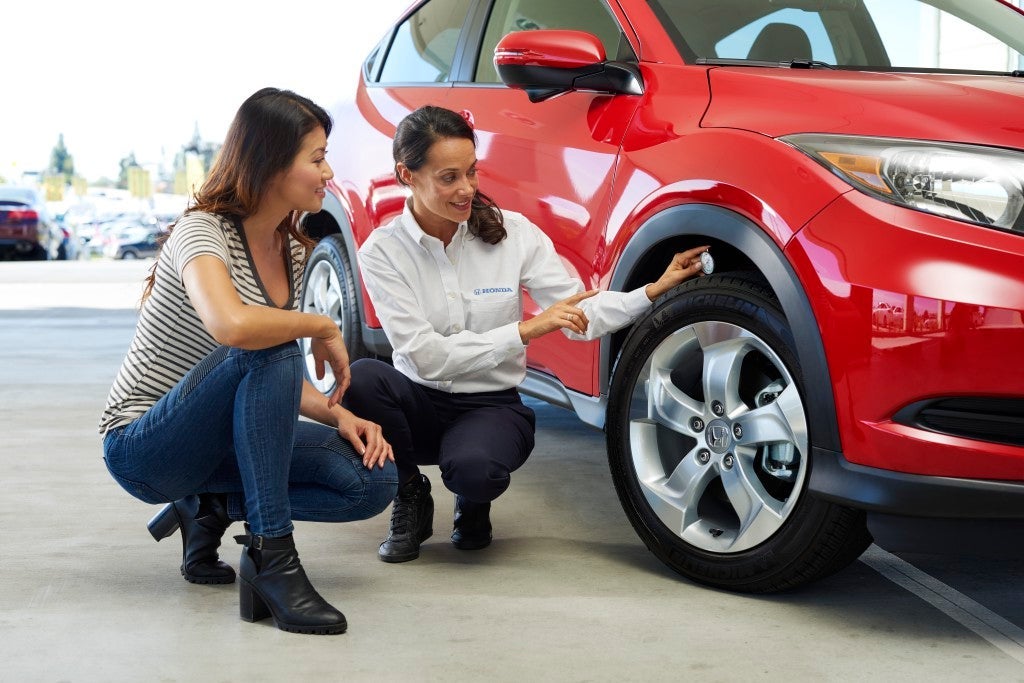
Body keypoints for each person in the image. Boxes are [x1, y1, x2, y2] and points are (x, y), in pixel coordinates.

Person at [343, 105, 709, 563]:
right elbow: (424, 358)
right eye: (449, 177)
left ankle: (472, 501)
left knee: (475, 471)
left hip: (490, 404)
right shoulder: (382, 252)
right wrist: (523, 330)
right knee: (361, 378)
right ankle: (410, 493)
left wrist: (652, 290)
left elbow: (580, 314)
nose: (467, 190)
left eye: (472, 173)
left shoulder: (513, 235)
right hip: (418, 402)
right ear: (407, 175)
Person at [98, 87, 397, 635]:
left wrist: (339, 415)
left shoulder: (297, 251)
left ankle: (209, 504)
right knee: (272, 338)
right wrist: (322, 324)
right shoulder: (201, 232)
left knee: (370, 479)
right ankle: (272, 558)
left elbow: (268, 375)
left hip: (217, 441)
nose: (329, 172)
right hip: (145, 446)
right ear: (269, 163)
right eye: (316, 157)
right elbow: (234, 329)